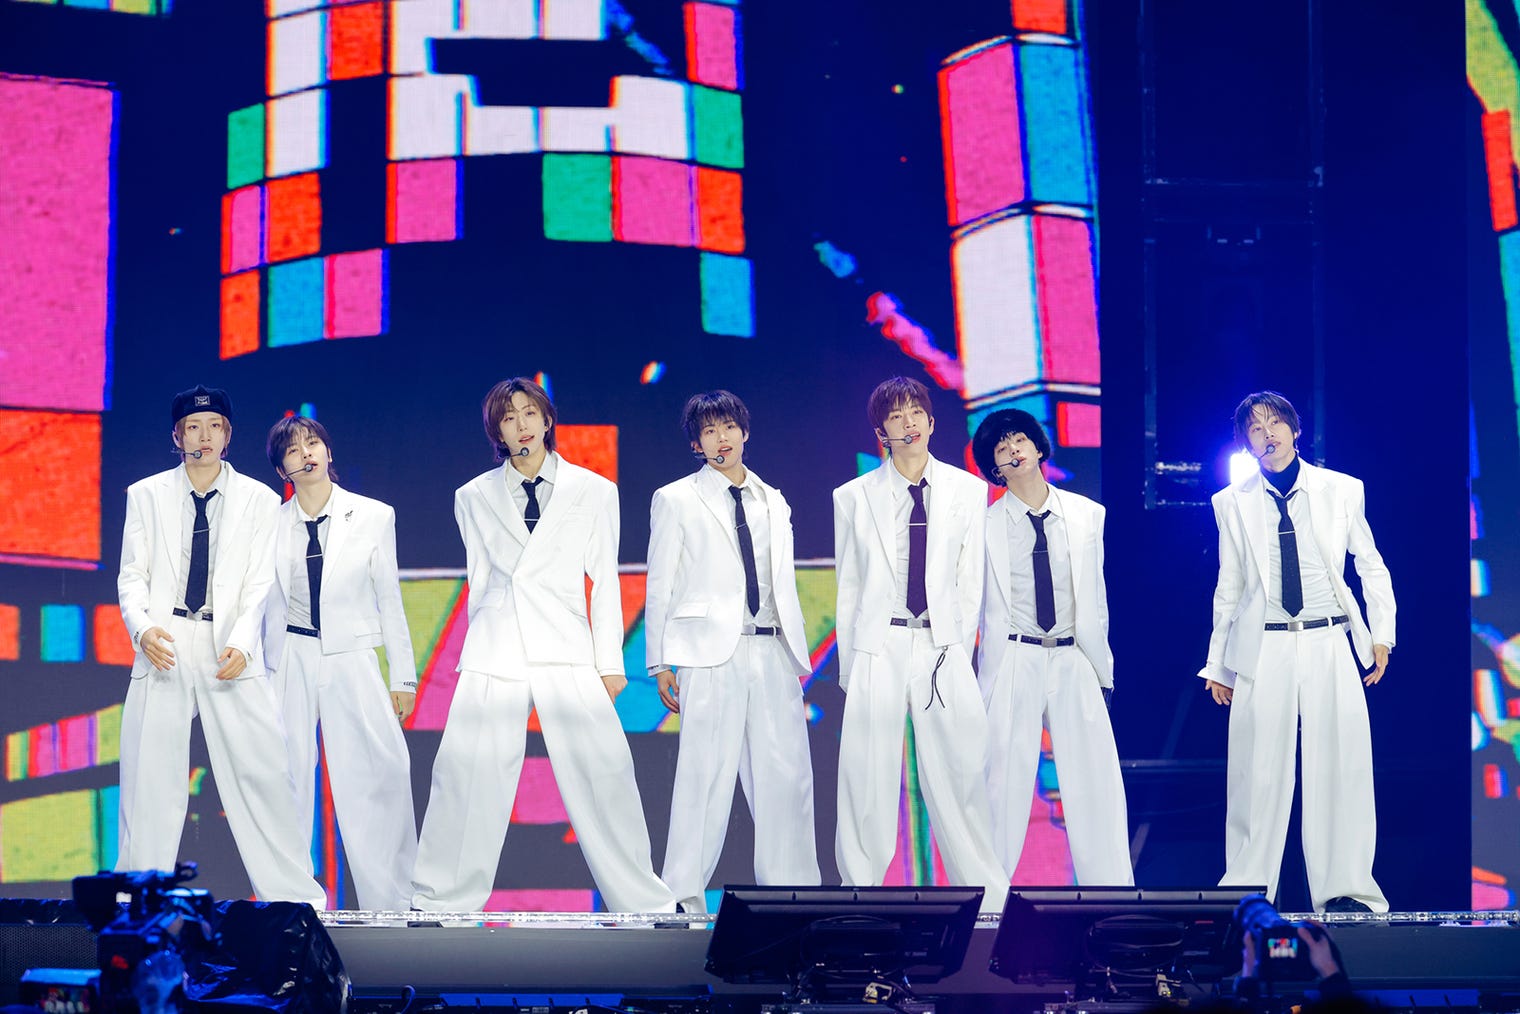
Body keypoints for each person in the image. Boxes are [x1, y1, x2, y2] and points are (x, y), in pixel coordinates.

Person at [411, 377, 674, 913]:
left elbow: (604, 580)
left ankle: (642, 901)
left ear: (547, 419)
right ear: (497, 432)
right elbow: (480, 582)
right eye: (509, 418)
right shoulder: (472, 496)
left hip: (566, 644)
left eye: (529, 413)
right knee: (465, 772)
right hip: (497, 647)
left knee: (604, 772)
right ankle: (440, 901)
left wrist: (609, 663)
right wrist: (478, 650)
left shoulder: (594, 490)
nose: (521, 425)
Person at [116, 385, 324, 906]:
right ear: (177, 436)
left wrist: (243, 643)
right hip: (165, 640)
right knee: (150, 780)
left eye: (213, 427)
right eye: (193, 427)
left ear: (227, 435)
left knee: (262, 773)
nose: (203, 436)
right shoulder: (145, 494)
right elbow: (132, 575)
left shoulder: (259, 499)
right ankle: (135, 904)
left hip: (227, 642)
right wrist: (141, 629)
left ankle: (296, 902)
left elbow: (260, 582)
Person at [1201, 391, 1394, 913]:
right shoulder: (1231, 501)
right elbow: (1229, 585)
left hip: (1328, 637)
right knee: (1256, 769)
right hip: (1264, 643)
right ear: (1246, 444)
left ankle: (1347, 890)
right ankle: (1246, 891)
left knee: (1340, 762)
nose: (1267, 433)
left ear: (1294, 429)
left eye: (1275, 422)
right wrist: (1218, 663)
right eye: (1255, 428)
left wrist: (1382, 634)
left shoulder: (1341, 489)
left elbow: (1370, 564)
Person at [832, 376, 1008, 912]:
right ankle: (860, 895)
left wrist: (956, 646)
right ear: (880, 432)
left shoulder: (967, 490)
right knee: (866, 775)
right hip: (879, 642)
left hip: (941, 644)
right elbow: (849, 585)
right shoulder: (853, 497)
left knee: (959, 772)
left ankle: (987, 900)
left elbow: (970, 581)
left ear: (931, 422)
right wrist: (851, 667)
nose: (907, 423)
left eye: (916, 413)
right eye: (896, 416)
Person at [646, 391, 821, 914]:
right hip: (708, 654)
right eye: (708, 431)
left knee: (786, 777)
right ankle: (682, 897)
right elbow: (660, 582)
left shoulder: (774, 500)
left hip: (771, 649)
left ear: (744, 432)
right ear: (696, 445)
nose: (720, 438)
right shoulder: (676, 499)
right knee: (704, 776)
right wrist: (659, 661)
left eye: (727, 427)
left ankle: (793, 896)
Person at [262, 415, 419, 911]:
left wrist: (403, 676)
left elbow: (389, 598)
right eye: (292, 450)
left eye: (313, 443)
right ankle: (291, 904)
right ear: (282, 469)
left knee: (377, 773)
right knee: (284, 778)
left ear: (328, 452)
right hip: (290, 655)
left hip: (351, 655)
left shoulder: (373, 516)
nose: (305, 453)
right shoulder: (267, 525)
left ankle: (391, 904)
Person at [971, 409, 1132, 885]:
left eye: (1020, 440)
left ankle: (1111, 897)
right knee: (1000, 784)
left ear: (1039, 448)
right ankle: (987, 902)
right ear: (995, 468)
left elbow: (1096, 597)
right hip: (1014, 655)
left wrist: (1101, 669)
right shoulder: (982, 526)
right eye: (1002, 448)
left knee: (1095, 780)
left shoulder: (1086, 515)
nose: (1013, 450)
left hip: (1071, 655)